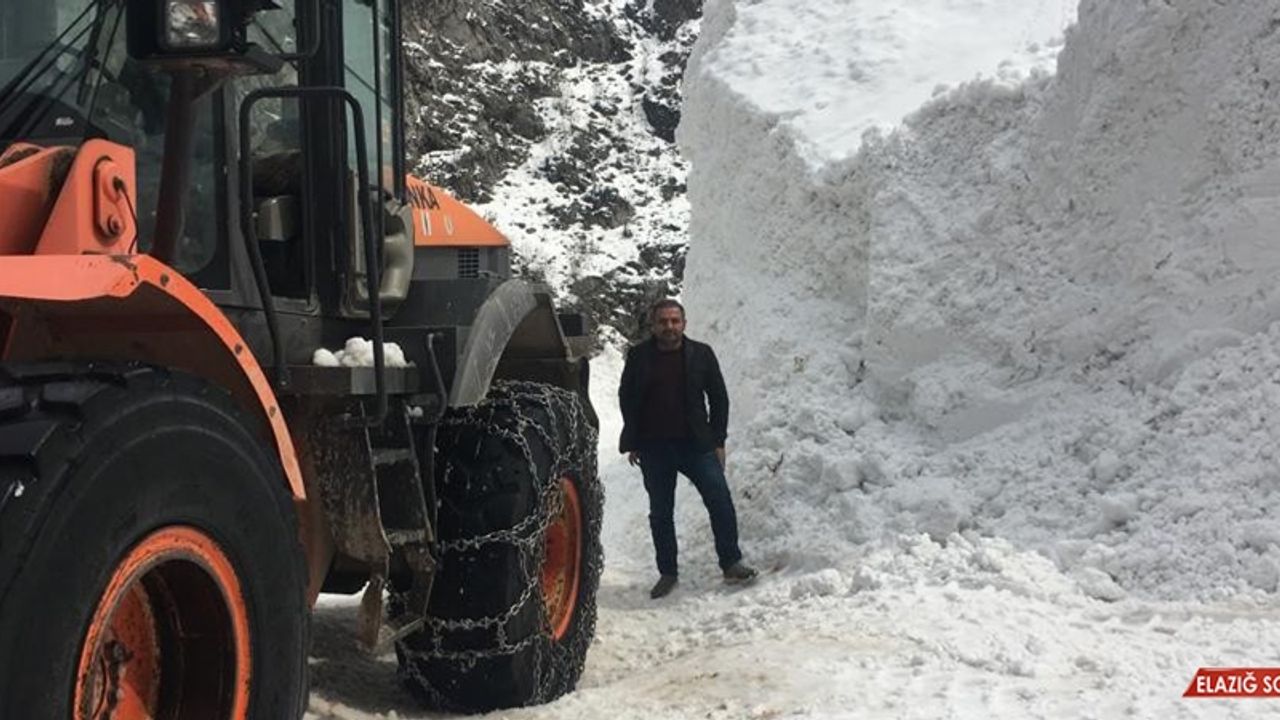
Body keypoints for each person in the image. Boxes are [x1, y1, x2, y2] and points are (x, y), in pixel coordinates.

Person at [619, 298, 757, 599]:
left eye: (674, 321)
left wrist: (718, 440)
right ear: (653, 325)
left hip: (696, 445)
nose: (669, 327)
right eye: (663, 322)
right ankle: (667, 572)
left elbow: (719, 398)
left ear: (684, 323)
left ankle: (731, 562)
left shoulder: (702, 354)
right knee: (661, 513)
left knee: (720, 501)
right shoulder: (639, 356)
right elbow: (627, 397)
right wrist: (633, 441)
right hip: (654, 448)